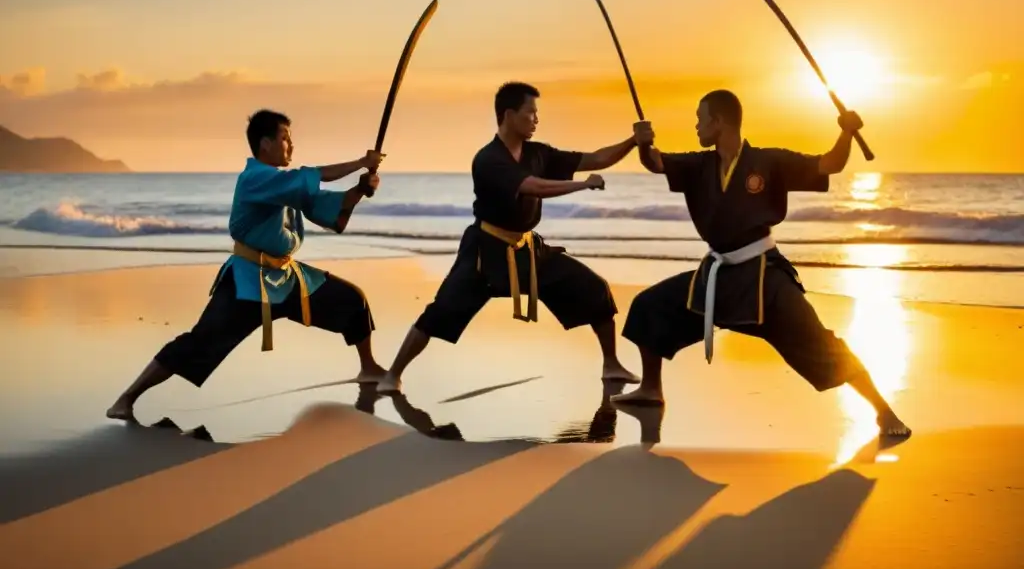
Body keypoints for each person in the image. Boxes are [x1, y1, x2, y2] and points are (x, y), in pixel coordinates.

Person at [611, 90, 911, 441]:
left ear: (719, 122)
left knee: (820, 344)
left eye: (700, 118)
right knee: (651, 306)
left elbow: (830, 164)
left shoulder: (770, 161)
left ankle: (883, 410)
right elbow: (656, 162)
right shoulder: (699, 165)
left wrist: (845, 133)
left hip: (764, 277)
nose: (696, 126)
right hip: (718, 275)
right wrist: (644, 144)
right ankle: (651, 389)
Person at [106, 109, 387, 422]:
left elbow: (329, 207)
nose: (291, 145)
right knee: (199, 343)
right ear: (265, 144)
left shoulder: (284, 185)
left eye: (291, 138)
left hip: (288, 278)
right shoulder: (255, 178)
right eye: (285, 138)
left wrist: (361, 189)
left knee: (352, 300)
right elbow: (312, 176)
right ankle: (126, 399)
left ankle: (369, 367)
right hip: (248, 282)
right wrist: (361, 163)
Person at [378, 81, 640, 393]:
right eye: (531, 113)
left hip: (527, 249)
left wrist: (634, 141)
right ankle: (392, 375)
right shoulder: (488, 159)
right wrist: (583, 186)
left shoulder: (539, 153)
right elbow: (534, 187)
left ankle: (611, 365)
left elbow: (596, 159)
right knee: (442, 311)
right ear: (509, 114)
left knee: (593, 288)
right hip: (485, 251)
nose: (536, 120)